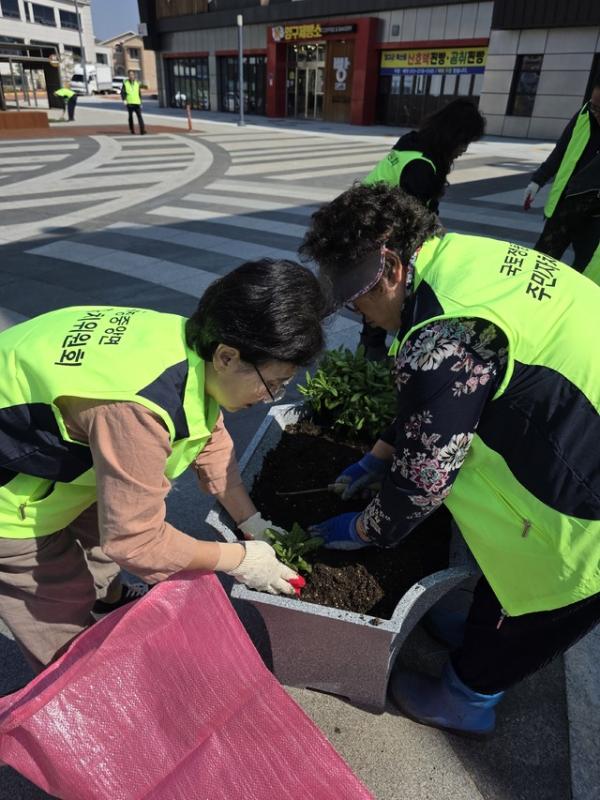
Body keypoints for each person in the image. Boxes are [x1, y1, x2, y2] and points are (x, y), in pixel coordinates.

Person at [299, 182, 600, 737]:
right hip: (578, 415)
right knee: (510, 577)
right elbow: (445, 397)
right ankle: (481, 631)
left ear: (391, 268)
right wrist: (379, 455)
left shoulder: (446, 332)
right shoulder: (458, 259)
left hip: (586, 500)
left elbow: (424, 480)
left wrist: (366, 528)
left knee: (542, 595)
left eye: (359, 297)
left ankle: (468, 695)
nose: (361, 315)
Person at [0, 258, 325, 675]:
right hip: (13, 493)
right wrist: (238, 559)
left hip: (55, 450)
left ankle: (109, 601)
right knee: (58, 602)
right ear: (227, 357)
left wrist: (252, 522)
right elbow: (135, 541)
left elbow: (209, 437)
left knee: (101, 531)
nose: (270, 397)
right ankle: (81, 687)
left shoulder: (190, 342)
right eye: (272, 384)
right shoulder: (137, 409)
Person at [359, 99, 486, 360]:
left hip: (369, 223)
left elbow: (421, 211)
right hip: (375, 230)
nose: (464, 150)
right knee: (385, 289)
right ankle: (373, 352)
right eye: (464, 142)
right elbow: (410, 219)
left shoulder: (414, 144)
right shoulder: (421, 166)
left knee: (381, 288)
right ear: (452, 136)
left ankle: (371, 348)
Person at [524, 73, 600, 278]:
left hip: (595, 215)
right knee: (540, 261)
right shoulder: (584, 114)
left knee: (585, 270)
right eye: (594, 106)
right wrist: (537, 181)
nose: (596, 113)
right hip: (566, 203)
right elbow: (560, 151)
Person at [121, 70, 146, 135]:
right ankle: (132, 129)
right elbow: (123, 93)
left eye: (132, 74)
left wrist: (141, 102)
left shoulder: (137, 83)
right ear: (128, 76)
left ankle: (142, 130)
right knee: (130, 117)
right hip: (129, 103)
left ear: (134, 75)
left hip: (137, 102)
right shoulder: (125, 83)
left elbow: (139, 93)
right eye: (129, 75)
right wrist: (124, 100)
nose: (131, 76)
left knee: (140, 116)